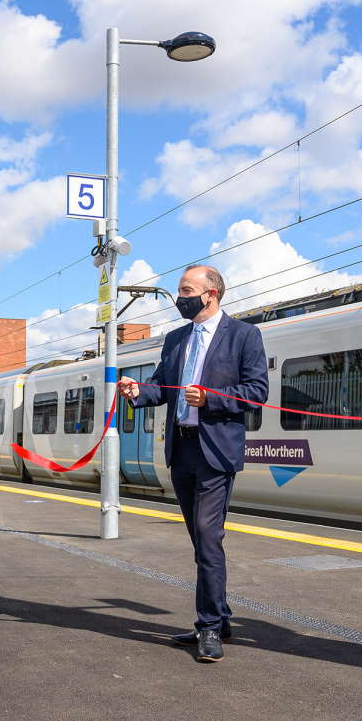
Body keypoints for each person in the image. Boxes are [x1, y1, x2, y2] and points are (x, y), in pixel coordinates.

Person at [118, 265, 268, 662]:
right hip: (181, 450)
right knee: (201, 540)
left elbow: (256, 392)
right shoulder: (176, 338)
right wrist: (137, 391)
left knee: (207, 537)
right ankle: (219, 615)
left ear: (211, 293)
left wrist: (212, 399)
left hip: (216, 451)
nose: (179, 298)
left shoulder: (244, 335)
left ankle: (209, 628)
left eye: (186, 290)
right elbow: (160, 385)